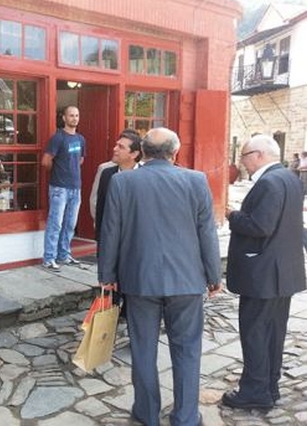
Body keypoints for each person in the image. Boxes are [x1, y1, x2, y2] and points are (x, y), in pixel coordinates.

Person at [98, 128, 222, 426]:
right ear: (174, 152)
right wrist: (214, 275)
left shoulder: (122, 181)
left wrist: (107, 274)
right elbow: (207, 232)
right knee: (188, 349)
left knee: (143, 348)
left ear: (143, 151)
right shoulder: (196, 180)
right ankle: (186, 416)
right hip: (186, 279)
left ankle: (146, 412)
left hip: (140, 279)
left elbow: (110, 230)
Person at [222, 134, 306, 411]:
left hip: (264, 274)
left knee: (255, 333)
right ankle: (269, 386)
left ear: (258, 155)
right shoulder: (289, 178)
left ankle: (255, 392)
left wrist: (233, 216)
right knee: (273, 334)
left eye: (244, 156)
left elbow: (261, 226)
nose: (242, 162)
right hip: (282, 271)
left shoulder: (269, 182)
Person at [41, 106, 86, 270]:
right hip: (59, 188)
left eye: (77, 115)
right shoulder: (58, 138)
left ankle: (64, 255)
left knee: (70, 224)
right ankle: (49, 258)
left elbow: (80, 159)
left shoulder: (81, 139)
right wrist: (58, 172)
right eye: (71, 115)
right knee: (56, 224)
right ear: (64, 118)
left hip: (76, 187)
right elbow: (46, 161)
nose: (74, 118)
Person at [93, 128, 142, 237]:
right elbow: (101, 208)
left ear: (134, 154)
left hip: (137, 237)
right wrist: (100, 238)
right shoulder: (107, 174)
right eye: (116, 145)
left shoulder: (146, 176)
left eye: (121, 147)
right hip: (112, 236)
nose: (115, 149)